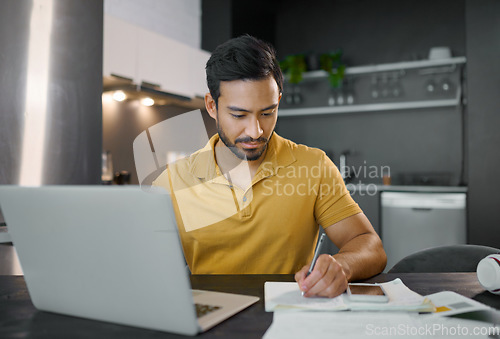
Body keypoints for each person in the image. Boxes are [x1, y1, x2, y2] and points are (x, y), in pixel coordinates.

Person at [153, 35, 386, 298]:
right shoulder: (173, 180)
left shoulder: (314, 166)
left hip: (291, 316)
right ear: (211, 106)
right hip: (210, 319)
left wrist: (342, 266)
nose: (255, 131)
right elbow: (141, 262)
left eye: (267, 112)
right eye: (239, 115)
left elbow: (371, 246)